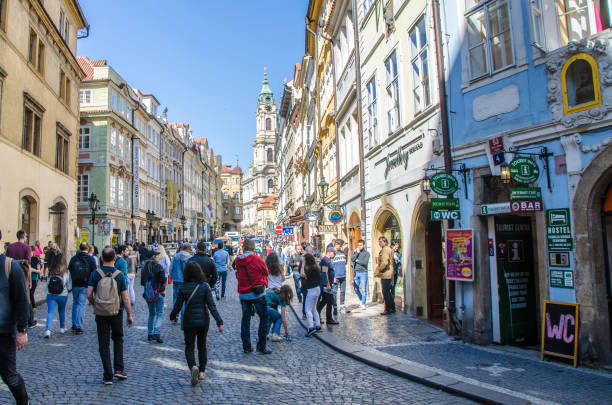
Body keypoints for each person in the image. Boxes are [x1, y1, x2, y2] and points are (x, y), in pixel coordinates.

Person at [170, 262, 223, 386]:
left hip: (189, 320)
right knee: (202, 346)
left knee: (189, 346)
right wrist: (219, 321)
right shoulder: (204, 286)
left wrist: (172, 316)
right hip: (203, 320)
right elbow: (211, 306)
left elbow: (177, 305)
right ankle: (202, 371)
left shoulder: (184, 287)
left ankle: (193, 366)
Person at [87, 247, 133, 385]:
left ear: (101, 258)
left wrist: (95, 304)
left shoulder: (95, 274)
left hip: (101, 313)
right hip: (116, 311)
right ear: (115, 259)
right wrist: (129, 314)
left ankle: (107, 375)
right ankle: (118, 369)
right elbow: (125, 297)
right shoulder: (119, 275)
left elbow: (89, 294)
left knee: (103, 342)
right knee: (118, 339)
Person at [0, 250, 30, 405]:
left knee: (9, 376)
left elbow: (21, 300)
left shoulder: (9, 266)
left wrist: (22, 330)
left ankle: (23, 402)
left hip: (3, 332)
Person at [234, 238, 271, 354]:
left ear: (243, 247)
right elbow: (266, 272)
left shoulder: (237, 261)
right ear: (253, 248)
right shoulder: (257, 259)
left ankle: (247, 346)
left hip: (244, 294)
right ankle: (261, 345)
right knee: (264, 318)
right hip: (257, 294)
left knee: (245, 320)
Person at [68, 243, 97, 334]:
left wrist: (70, 283)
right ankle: (78, 325)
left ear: (79, 249)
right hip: (85, 284)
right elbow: (94, 273)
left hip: (75, 284)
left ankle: (73, 323)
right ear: (88, 249)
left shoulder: (73, 258)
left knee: (75, 303)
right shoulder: (91, 259)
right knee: (81, 304)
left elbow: (70, 270)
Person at [44, 252, 70, 338]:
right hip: (63, 295)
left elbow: (47, 283)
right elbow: (68, 285)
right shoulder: (65, 271)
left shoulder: (51, 270)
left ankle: (48, 330)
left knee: (50, 312)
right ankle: (62, 328)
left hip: (51, 294)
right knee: (61, 311)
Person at [141, 253, 166, 343]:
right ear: (155, 258)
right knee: (159, 313)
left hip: (148, 294)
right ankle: (157, 333)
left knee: (151, 313)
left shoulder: (145, 268)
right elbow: (163, 280)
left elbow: (142, 283)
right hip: (158, 292)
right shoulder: (159, 267)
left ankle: (149, 334)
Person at [171, 243, 193, 321]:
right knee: (184, 299)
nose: (191, 250)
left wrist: (171, 276)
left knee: (175, 297)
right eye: (190, 249)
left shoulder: (175, 256)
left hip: (176, 279)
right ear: (186, 249)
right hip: (185, 280)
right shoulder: (189, 257)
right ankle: (183, 316)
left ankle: (174, 315)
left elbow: (171, 267)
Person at [317, 247, 338, 325]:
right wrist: (328, 284)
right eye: (334, 253)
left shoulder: (327, 260)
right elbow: (325, 272)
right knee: (329, 301)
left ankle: (317, 313)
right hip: (326, 284)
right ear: (329, 252)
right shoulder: (325, 260)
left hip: (327, 283)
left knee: (325, 300)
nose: (334, 255)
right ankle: (329, 319)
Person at [375, 236, 395, 315]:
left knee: (385, 291)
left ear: (384, 242)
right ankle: (392, 307)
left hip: (386, 273)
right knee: (388, 292)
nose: (379, 243)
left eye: (380, 241)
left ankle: (388, 309)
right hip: (388, 273)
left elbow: (385, 262)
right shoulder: (387, 249)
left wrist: (379, 270)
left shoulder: (385, 250)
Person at [302, 253, 321, 337]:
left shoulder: (310, 268)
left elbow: (302, 274)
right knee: (313, 308)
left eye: (304, 260)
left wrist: (302, 265)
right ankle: (318, 325)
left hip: (312, 290)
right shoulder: (315, 267)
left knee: (307, 309)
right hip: (317, 289)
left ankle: (310, 327)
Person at [351, 240, 370, 310]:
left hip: (363, 273)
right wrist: (356, 254)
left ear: (364, 245)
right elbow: (352, 259)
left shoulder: (367, 253)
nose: (359, 246)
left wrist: (357, 261)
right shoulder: (356, 252)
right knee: (356, 288)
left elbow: (365, 263)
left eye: (361, 245)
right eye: (358, 245)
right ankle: (362, 299)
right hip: (356, 272)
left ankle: (363, 303)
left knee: (363, 289)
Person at [332, 240, 348, 314]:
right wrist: (333, 276)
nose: (340, 247)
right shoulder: (332, 253)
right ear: (336, 244)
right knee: (334, 292)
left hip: (343, 275)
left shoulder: (342, 252)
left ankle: (342, 306)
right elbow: (331, 266)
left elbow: (345, 262)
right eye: (340, 245)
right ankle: (335, 307)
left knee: (343, 291)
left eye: (341, 246)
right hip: (336, 275)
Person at [28, 246, 42, 328]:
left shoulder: (36, 259)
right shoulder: (26, 258)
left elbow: (39, 271)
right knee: (29, 294)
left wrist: (31, 270)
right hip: (28, 278)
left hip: (34, 278)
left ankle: (33, 307)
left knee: (31, 293)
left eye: (30, 252)